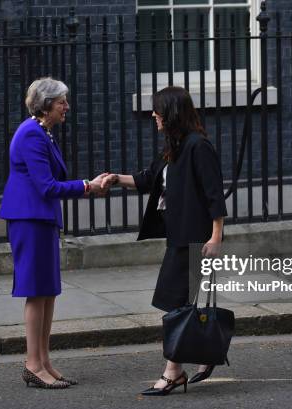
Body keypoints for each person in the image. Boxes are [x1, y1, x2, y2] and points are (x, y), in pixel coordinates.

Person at [102, 86, 227, 396]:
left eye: (157, 109)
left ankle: (173, 372)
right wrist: (116, 178)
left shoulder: (199, 147)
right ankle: (200, 357)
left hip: (196, 239)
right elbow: (148, 179)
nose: (153, 114)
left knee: (177, 306)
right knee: (183, 305)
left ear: (171, 112)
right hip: (179, 237)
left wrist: (215, 237)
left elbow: (215, 196)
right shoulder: (175, 146)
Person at [0, 77, 108, 389]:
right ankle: (33, 364)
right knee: (36, 291)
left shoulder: (42, 132)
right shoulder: (32, 134)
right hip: (29, 219)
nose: (67, 107)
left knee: (47, 290)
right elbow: (46, 186)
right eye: (62, 102)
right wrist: (88, 186)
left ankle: (44, 360)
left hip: (40, 218)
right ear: (47, 105)